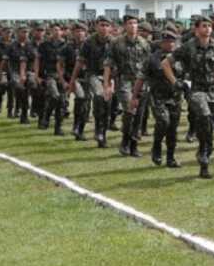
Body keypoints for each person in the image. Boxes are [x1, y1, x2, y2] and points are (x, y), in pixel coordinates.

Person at [163, 15, 214, 179]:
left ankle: (204, 155)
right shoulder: (188, 47)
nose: (207, 29)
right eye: (203, 26)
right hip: (197, 89)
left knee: (209, 127)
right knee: (205, 116)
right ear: (196, 29)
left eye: (209, 26)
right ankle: (204, 155)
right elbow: (166, 63)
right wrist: (175, 82)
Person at [132, 29, 183, 168]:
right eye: (167, 41)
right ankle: (156, 147)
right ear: (161, 43)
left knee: (173, 128)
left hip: (175, 97)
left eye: (173, 41)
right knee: (163, 122)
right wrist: (135, 96)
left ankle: (171, 158)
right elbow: (140, 78)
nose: (170, 44)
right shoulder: (152, 59)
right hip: (158, 97)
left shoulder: (180, 57)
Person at [103, 14, 151, 157]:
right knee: (130, 110)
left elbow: (148, 65)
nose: (133, 26)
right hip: (124, 80)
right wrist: (106, 84)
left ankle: (133, 145)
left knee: (139, 115)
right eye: (130, 23)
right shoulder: (116, 43)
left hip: (141, 82)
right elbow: (108, 64)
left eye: (135, 23)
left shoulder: (144, 43)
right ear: (124, 25)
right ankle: (125, 141)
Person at [70, 16, 113, 148]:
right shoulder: (89, 42)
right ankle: (98, 130)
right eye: (101, 25)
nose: (104, 28)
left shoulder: (115, 42)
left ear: (110, 28)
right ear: (96, 27)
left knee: (108, 105)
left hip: (111, 76)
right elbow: (80, 62)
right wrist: (72, 80)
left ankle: (102, 136)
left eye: (106, 25)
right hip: (93, 74)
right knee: (100, 96)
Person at [35, 23, 67, 135]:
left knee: (62, 102)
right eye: (54, 30)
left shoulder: (66, 45)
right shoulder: (44, 45)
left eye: (59, 30)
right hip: (49, 74)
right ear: (51, 31)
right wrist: (36, 75)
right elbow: (38, 60)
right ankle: (46, 116)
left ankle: (58, 128)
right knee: (54, 96)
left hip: (62, 76)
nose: (57, 32)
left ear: (62, 32)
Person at [3, 24, 38, 125]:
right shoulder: (11, 46)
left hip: (29, 71)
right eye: (23, 31)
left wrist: (36, 73)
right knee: (19, 89)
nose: (25, 34)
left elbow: (36, 60)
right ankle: (21, 111)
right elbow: (5, 60)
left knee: (34, 86)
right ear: (18, 33)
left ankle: (31, 110)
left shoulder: (31, 45)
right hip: (15, 72)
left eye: (26, 32)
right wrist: (1, 73)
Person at [59, 22, 88, 141]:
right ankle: (76, 126)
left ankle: (79, 131)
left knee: (86, 106)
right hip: (72, 78)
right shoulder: (67, 47)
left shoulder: (89, 45)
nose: (79, 33)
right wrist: (63, 81)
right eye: (77, 31)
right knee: (80, 97)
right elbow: (59, 65)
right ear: (73, 33)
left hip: (88, 78)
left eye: (82, 31)